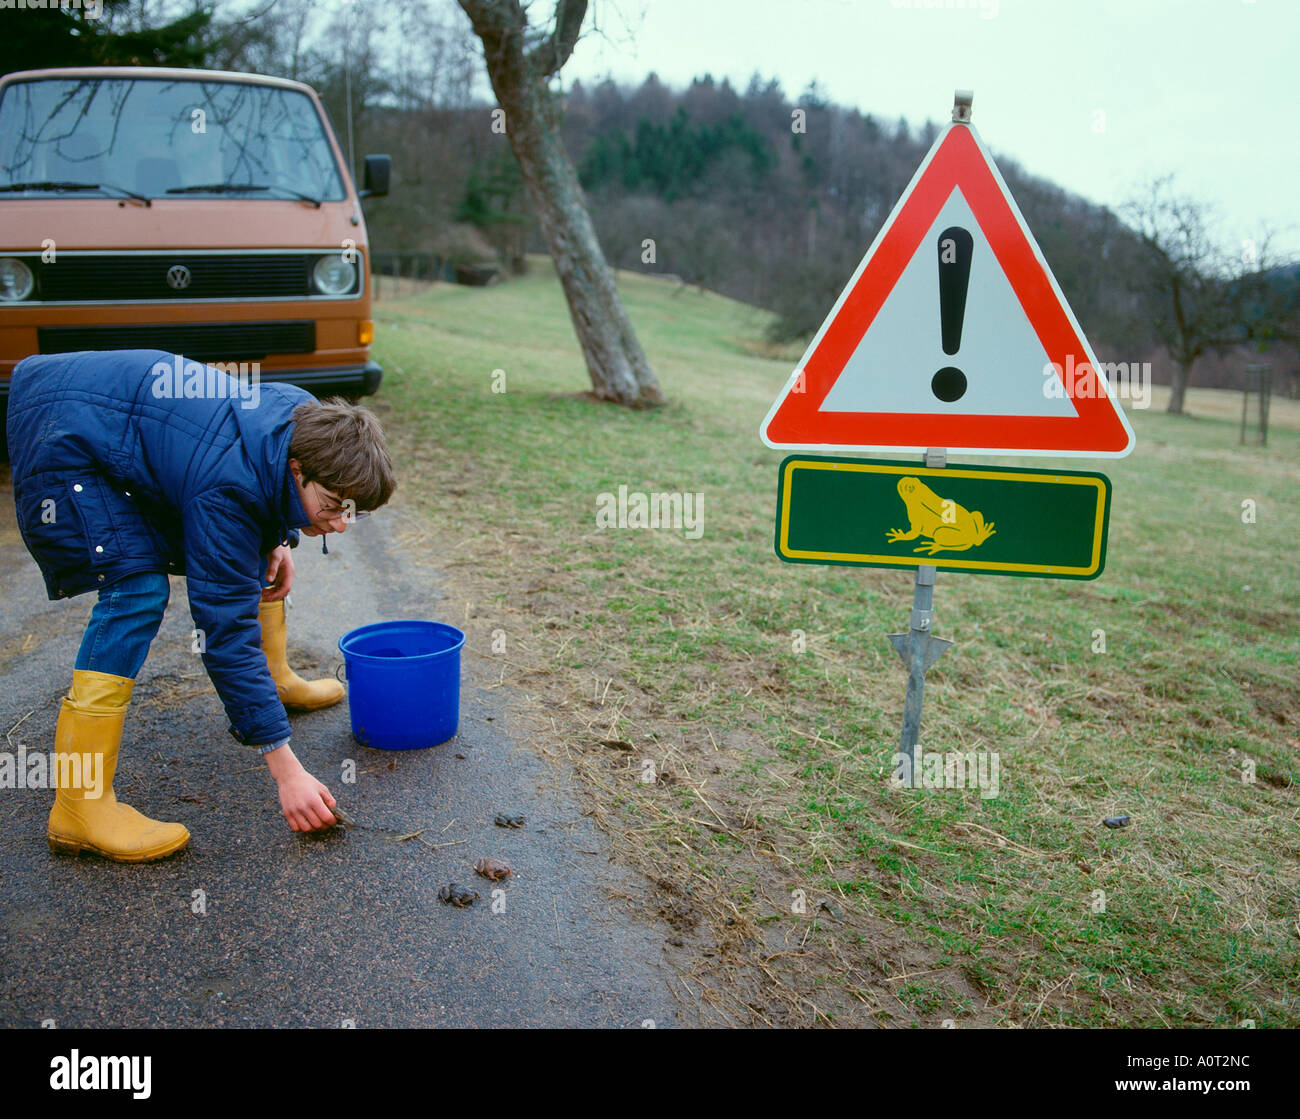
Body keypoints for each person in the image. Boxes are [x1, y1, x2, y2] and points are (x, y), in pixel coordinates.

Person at [6, 349, 396, 862]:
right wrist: (286, 769)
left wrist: (277, 539)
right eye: (330, 506)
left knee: (252, 558)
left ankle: (274, 682)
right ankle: (78, 806)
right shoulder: (227, 488)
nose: (340, 524)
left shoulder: (303, 423)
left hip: (125, 414)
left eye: (352, 513)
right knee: (136, 591)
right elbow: (223, 632)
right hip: (66, 425)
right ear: (298, 470)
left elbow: (261, 496)